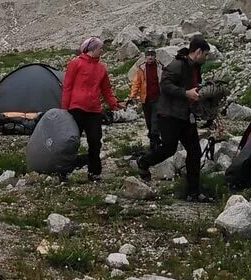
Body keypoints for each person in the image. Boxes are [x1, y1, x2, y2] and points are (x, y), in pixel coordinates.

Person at [137, 36, 213, 202]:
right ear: (198, 52)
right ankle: (143, 162)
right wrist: (185, 93)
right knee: (169, 148)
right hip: (169, 115)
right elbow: (165, 85)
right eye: (205, 54)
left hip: (186, 115)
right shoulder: (177, 65)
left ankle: (193, 192)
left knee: (194, 151)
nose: (206, 58)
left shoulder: (195, 68)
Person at [61, 37, 121, 181]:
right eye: (100, 48)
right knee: (71, 141)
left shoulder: (101, 68)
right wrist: (64, 109)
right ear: (92, 49)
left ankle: (94, 172)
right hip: (76, 107)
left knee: (95, 141)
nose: (102, 50)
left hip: (94, 109)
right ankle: (63, 169)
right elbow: (67, 87)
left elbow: (106, 89)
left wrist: (114, 104)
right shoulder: (75, 63)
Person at [129, 48, 163, 151]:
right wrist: (133, 95)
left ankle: (156, 144)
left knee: (155, 122)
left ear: (155, 56)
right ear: (145, 57)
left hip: (158, 99)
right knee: (149, 123)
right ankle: (153, 144)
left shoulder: (160, 67)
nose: (150, 57)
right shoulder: (142, 68)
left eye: (152, 55)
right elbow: (137, 83)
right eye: (148, 55)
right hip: (146, 99)